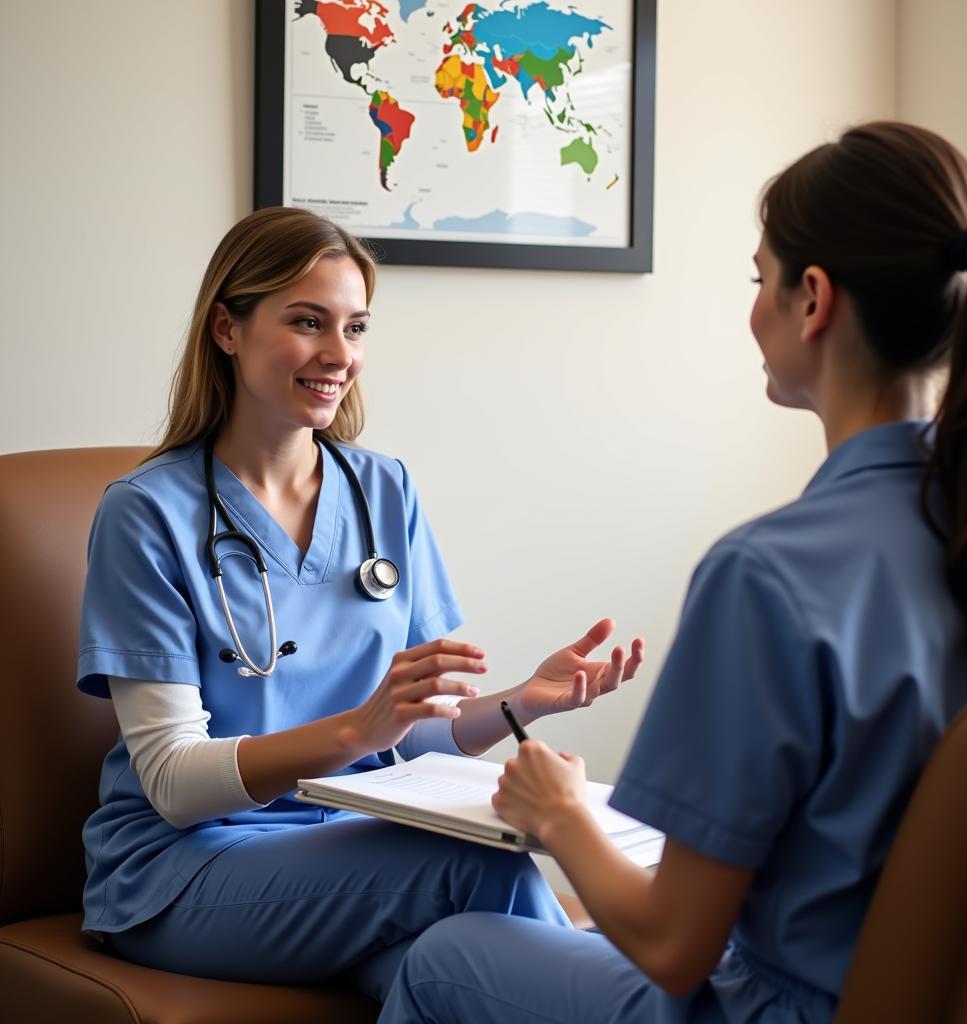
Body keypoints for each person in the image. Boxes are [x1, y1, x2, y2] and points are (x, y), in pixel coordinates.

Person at [377, 121, 967, 1023]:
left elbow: (675, 948)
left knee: (447, 958)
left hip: (775, 1008)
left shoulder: (770, 575)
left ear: (814, 300)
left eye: (759, 280)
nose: (753, 309)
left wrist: (558, 811)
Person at [76, 206, 644, 1000]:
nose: (339, 355)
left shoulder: (383, 489)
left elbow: (407, 741)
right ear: (227, 329)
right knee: (474, 861)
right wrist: (359, 729)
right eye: (308, 323)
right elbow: (171, 782)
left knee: (457, 973)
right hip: (184, 869)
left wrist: (522, 703)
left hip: (350, 852)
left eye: (356, 328)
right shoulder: (146, 513)